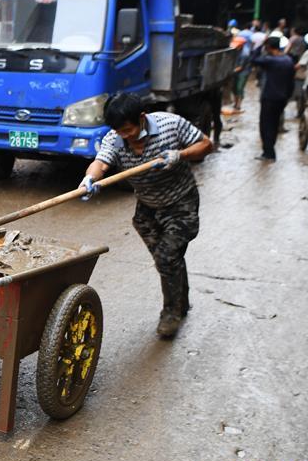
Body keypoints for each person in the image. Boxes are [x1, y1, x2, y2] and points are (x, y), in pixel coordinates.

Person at [78, 94, 213, 338]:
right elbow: (101, 161)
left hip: (181, 203)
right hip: (148, 209)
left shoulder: (170, 124)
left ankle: (171, 313)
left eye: (128, 129)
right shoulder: (115, 138)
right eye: (119, 131)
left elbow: (206, 144)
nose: (125, 136)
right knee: (168, 260)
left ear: (142, 118)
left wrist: (180, 154)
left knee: (166, 257)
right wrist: (90, 179)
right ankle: (181, 301)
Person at [250, 35, 295, 160]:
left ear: (268, 46)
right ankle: (270, 151)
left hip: (269, 97)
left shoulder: (270, 60)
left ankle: (268, 153)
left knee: (265, 125)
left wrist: (259, 46)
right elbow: (291, 82)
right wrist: (287, 96)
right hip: (282, 98)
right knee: (274, 125)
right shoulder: (288, 60)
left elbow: (253, 59)